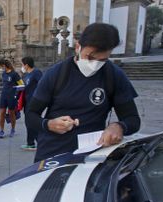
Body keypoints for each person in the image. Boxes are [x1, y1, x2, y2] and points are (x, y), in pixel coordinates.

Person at [26, 23, 141, 162]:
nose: (94, 65)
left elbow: (133, 119)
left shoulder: (114, 76)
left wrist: (119, 126)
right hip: (52, 153)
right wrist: (49, 124)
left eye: (102, 60)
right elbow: (31, 115)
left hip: (92, 155)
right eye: (90, 57)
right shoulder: (56, 74)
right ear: (78, 47)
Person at [0, 59, 24, 138]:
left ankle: (13, 129)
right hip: (3, 95)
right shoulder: (3, 74)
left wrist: (16, 93)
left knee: (12, 113)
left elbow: (22, 85)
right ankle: (1, 130)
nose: (1, 68)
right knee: (2, 113)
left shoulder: (14, 74)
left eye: (1, 66)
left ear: (5, 65)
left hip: (11, 96)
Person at [20, 57, 42, 151]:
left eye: (22, 64)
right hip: (26, 101)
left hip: (33, 102)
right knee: (28, 122)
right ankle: (30, 143)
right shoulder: (26, 75)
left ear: (26, 65)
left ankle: (40, 142)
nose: (22, 66)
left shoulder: (36, 73)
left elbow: (42, 84)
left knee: (32, 122)